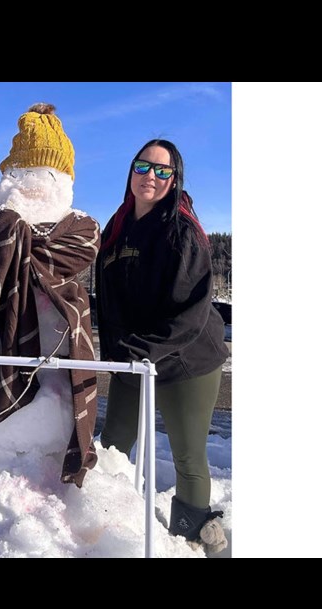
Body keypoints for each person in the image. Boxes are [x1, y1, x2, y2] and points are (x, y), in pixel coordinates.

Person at [95, 139, 229, 553]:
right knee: (114, 443)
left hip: (187, 361)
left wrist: (142, 351)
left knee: (188, 458)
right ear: (131, 171)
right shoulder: (116, 229)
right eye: (143, 166)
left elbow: (190, 311)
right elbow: (109, 299)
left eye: (162, 171)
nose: (150, 176)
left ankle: (190, 539)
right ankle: (104, 525)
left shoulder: (182, 230)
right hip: (134, 360)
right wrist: (116, 352)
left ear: (174, 180)